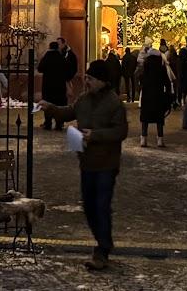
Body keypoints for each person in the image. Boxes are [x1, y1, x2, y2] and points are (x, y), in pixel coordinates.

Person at [39, 60, 129, 271]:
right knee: (89, 207)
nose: (86, 81)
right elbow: (69, 112)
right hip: (87, 162)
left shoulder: (114, 103)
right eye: (87, 77)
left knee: (101, 206)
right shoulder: (84, 99)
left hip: (106, 163)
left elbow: (120, 132)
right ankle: (103, 242)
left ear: (102, 81)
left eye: (91, 78)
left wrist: (95, 135)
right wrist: (50, 107)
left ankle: (102, 249)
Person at [138, 47, 171, 147]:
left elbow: (140, 80)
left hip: (147, 95)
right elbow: (167, 83)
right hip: (159, 95)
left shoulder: (145, 68)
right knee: (159, 118)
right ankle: (160, 139)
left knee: (145, 118)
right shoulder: (161, 68)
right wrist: (168, 95)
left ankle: (144, 138)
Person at [38, 41, 68, 130]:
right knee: (59, 104)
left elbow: (40, 68)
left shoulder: (46, 57)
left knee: (48, 103)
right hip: (60, 85)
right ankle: (59, 124)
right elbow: (66, 69)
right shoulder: (61, 57)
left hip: (48, 85)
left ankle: (48, 123)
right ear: (57, 47)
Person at [60, 36, 80, 102]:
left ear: (63, 44)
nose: (58, 46)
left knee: (68, 95)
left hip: (67, 78)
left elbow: (73, 67)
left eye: (59, 44)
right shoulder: (61, 53)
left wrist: (68, 77)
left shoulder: (69, 54)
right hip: (64, 78)